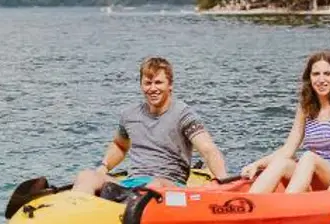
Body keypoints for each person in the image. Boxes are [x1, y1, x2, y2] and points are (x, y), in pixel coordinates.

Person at [72, 56, 228, 194]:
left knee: (155, 185)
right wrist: (104, 167)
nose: (153, 88)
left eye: (158, 82)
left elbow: (208, 150)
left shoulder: (184, 115)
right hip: (132, 185)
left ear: (170, 85)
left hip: (169, 185)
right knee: (86, 176)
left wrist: (224, 182)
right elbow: (119, 145)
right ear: (141, 85)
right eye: (147, 83)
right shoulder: (129, 115)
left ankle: (135, 206)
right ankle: (76, 210)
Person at [239, 51, 330, 193]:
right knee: (282, 162)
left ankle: (288, 203)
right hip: (312, 176)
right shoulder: (306, 108)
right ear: (309, 78)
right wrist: (257, 164)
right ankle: (250, 201)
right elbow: (288, 150)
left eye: (327, 74)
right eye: (316, 74)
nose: (321, 79)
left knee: (309, 157)